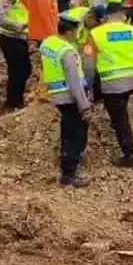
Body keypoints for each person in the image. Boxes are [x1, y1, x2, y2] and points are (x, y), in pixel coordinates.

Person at [41, 13, 93, 187]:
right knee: (75, 135)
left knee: (68, 131)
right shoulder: (67, 52)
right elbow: (74, 84)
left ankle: (69, 168)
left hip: (57, 95)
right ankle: (70, 173)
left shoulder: (48, 43)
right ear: (70, 32)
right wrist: (85, 106)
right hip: (71, 97)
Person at [89, 2, 133, 167]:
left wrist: (88, 85)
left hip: (112, 84)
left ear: (106, 17)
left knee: (120, 119)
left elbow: (88, 63)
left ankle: (129, 155)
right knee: (121, 108)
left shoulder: (95, 33)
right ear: (124, 16)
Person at [0, 0, 32, 111]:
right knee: (19, 70)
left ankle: (16, 100)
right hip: (11, 37)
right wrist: (19, 26)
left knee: (22, 70)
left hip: (19, 37)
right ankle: (13, 103)